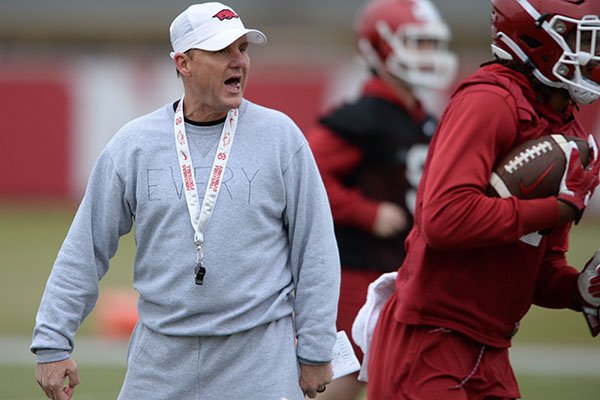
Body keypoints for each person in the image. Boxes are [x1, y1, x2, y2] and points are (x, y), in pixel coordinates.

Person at [30, 3, 341, 400]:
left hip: (258, 364)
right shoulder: (134, 145)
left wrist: (316, 348)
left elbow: (315, 249)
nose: (239, 62)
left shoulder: (281, 138)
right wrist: (53, 341)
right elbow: (85, 248)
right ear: (184, 63)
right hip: (159, 366)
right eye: (222, 51)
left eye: (243, 49)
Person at [366, 0, 600, 398]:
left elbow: (539, 270)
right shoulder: (490, 100)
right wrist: (555, 206)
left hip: (492, 350)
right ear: (535, 35)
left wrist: (579, 290)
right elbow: (444, 219)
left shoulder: (566, 127)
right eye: (578, 37)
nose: (591, 52)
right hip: (430, 339)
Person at [306, 0, 457, 399]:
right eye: (417, 43)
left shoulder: (421, 116)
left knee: (400, 377)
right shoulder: (363, 117)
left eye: (430, 43)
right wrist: (365, 211)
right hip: (357, 271)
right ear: (380, 47)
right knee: (341, 377)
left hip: (403, 268)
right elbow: (305, 177)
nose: (427, 54)